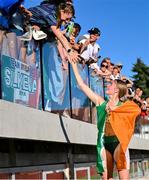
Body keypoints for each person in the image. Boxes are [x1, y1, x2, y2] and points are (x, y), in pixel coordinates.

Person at [69, 60, 141, 179]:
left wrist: (114, 111)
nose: (107, 85)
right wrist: (73, 66)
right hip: (104, 143)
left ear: (117, 89)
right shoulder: (101, 103)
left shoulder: (124, 106)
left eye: (111, 84)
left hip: (119, 143)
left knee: (124, 177)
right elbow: (82, 85)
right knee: (106, 178)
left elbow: (137, 110)